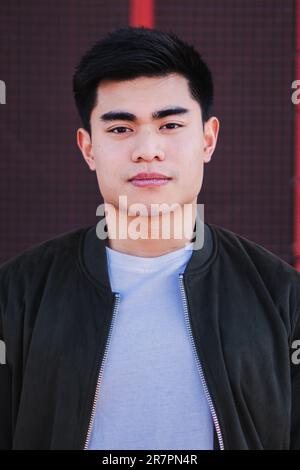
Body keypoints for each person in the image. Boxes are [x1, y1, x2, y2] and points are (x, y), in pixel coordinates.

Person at [0, 26, 299, 450]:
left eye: (170, 124)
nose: (147, 150)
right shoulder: (16, 295)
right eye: (120, 129)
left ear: (208, 140)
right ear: (88, 148)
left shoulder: (282, 297)